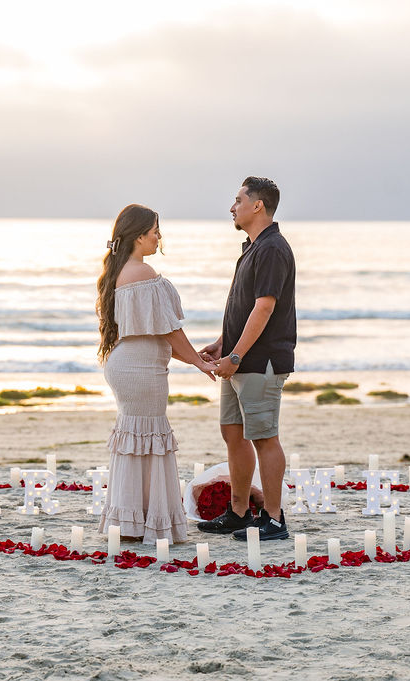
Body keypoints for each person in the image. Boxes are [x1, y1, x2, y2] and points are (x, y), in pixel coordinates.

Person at [96, 204, 219, 545]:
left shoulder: (122, 270)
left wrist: (195, 358)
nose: (158, 238)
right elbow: (169, 330)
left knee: (136, 440)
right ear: (138, 236)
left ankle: (132, 521)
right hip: (139, 370)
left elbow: (158, 333)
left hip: (131, 365)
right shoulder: (143, 273)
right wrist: (198, 362)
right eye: (154, 232)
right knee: (148, 438)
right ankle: (146, 522)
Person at [196, 177, 296, 541]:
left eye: (238, 200)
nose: (232, 206)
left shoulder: (271, 248)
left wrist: (236, 354)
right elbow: (243, 307)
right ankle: (239, 513)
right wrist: (224, 343)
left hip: (260, 361)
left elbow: (265, 307)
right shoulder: (253, 247)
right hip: (239, 359)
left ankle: (273, 518)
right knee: (233, 433)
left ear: (258, 206)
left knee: (265, 437)